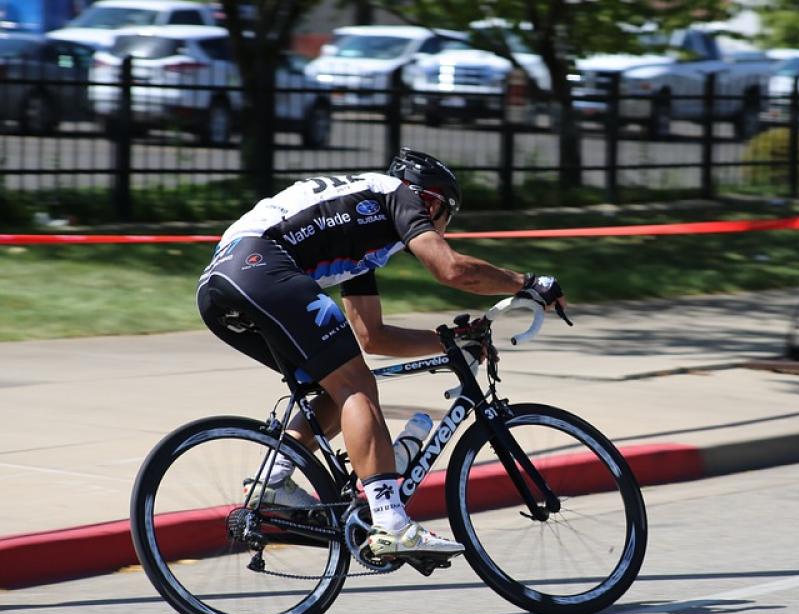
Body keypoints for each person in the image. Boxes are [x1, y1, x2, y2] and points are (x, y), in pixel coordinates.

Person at [196, 148, 565, 561]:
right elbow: (452, 270)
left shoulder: (365, 229)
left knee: (336, 384)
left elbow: (371, 336)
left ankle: (273, 479)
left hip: (221, 288)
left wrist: (450, 340)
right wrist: (527, 283)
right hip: (261, 267)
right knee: (357, 386)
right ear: (431, 201)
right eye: (444, 216)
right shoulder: (398, 194)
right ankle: (391, 522)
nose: (439, 228)